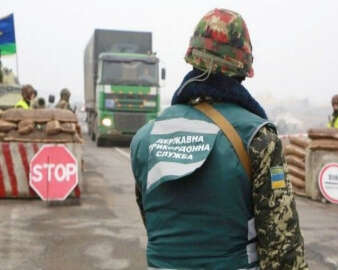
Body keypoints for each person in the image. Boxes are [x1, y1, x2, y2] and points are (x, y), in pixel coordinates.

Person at [130, 8, 308, 270]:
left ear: (193, 57)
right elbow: (281, 247)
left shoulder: (145, 139)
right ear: (243, 67)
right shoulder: (258, 138)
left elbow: (153, 221)